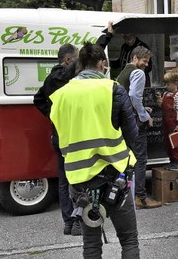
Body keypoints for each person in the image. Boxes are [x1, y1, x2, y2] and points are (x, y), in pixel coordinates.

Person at [49, 42, 140, 258]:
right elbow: (132, 135)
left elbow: (57, 138)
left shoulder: (61, 95)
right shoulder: (113, 89)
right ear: (101, 64)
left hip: (79, 181)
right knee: (128, 239)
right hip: (115, 177)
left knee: (91, 244)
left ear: (80, 64)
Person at [33, 43, 82, 236]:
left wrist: (52, 114)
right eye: (76, 58)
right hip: (71, 136)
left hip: (57, 135)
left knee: (63, 180)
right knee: (77, 179)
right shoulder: (62, 75)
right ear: (69, 60)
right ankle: (78, 221)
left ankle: (68, 222)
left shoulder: (48, 79)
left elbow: (37, 99)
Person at [117, 46, 161, 209]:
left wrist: (141, 107)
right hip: (135, 121)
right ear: (135, 58)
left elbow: (127, 97)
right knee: (141, 159)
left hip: (124, 121)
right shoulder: (138, 73)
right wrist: (144, 115)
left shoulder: (123, 73)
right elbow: (134, 96)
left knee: (128, 159)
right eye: (144, 60)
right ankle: (140, 197)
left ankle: (127, 195)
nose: (145, 64)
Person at [157, 70, 178, 171]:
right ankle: (172, 161)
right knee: (168, 143)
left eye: (168, 84)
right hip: (166, 123)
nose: (166, 86)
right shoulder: (165, 94)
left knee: (176, 142)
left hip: (174, 123)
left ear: (175, 83)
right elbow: (162, 106)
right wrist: (160, 102)